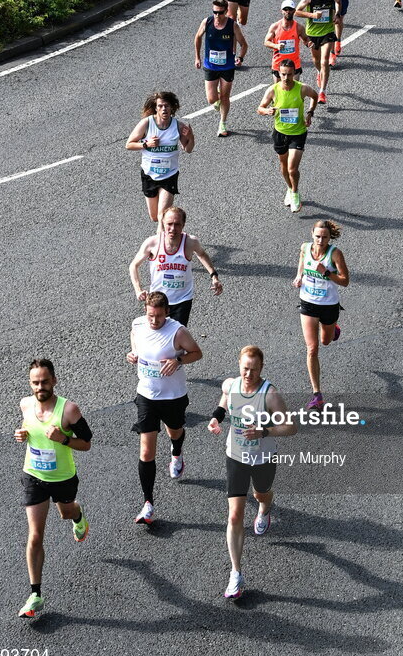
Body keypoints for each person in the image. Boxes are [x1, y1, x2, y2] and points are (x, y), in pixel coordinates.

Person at [208, 345, 298, 600]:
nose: (248, 374)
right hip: (235, 456)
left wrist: (265, 431)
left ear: (261, 369)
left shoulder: (270, 395)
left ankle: (265, 509)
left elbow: (291, 427)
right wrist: (217, 418)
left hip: (263, 458)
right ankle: (235, 573)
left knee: (261, 495)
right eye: (245, 368)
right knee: (235, 515)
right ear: (239, 365)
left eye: (254, 370)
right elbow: (226, 399)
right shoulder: (231, 384)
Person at [14, 358, 92, 618]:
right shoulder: (25, 405)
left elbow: (87, 444)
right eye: (35, 382)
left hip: (63, 478)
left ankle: (78, 516)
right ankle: (35, 593)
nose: (40, 387)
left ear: (54, 381)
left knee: (66, 513)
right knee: (35, 535)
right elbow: (27, 429)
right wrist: (21, 435)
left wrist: (65, 439)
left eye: (44, 381)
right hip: (33, 476)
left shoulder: (69, 410)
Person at [128, 292, 203, 524]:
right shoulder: (138, 325)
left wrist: (178, 360)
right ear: (146, 312)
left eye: (159, 316)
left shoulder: (178, 331)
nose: (154, 320)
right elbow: (135, 341)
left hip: (173, 396)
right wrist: (133, 355)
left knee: (175, 431)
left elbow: (197, 353)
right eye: (151, 315)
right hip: (147, 395)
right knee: (146, 451)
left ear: (167, 313)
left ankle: (177, 453)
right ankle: (148, 503)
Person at [129, 206, 223, 326]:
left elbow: (202, 255)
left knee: (176, 337)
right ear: (162, 223)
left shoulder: (190, 242)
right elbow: (133, 266)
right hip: (158, 300)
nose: (173, 229)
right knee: (157, 335)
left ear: (183, 225)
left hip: (182, 300)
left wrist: (214, 276)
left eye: (177, 224)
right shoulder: (152, 243)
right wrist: (138, 290)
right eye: (169, 224)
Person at [294, 220, 349, 409]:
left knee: (326, 341)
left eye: (324, 237)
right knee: (312, 348)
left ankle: (333, 329)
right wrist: (299, 276)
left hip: (329, 305)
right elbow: (302, 260)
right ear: (312, 234)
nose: (320, 240)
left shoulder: (335, 254)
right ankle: (317, 394)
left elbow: (345, 281)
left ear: (329, 237)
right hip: (308, 303)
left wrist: (325, 272)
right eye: (317, 236)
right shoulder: (305, 247)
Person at [257, 59, 318, 212]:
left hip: (298, 133)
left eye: (289, 74)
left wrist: (310, 113)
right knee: (284, 167)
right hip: (280, 133)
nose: (286, 78)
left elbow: (315, 96)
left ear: (294, 73)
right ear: (279, 73)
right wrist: (267, 111)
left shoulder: (302, 88)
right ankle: (290, 189)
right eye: (283, 74)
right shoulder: (273, 90)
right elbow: (260, 107)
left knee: (292, 169)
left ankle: (296, 193)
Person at [126, 91, 195, 221]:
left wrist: (191, 137)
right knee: (154, 217)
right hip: (149, 174)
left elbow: (188, 149)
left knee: (162, 215)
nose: (164, 109)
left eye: (167, 106)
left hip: (169, 175)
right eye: (161, 106)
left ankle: (162, 241)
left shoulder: (178, 126)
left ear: (172, 108)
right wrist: (146, 144)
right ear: (156, 108)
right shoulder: (146, 123)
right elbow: (129, 144)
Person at [194, 0, 248, 137]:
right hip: (210, 65)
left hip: (227, 66)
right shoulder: (207, 22)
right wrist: (197, 57)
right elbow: (198, 38)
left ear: (226, 12)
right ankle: (218, 101)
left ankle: (222, 123)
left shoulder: (232, 25)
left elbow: (244, 45)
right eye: (215, 12)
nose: (217, 16)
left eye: (220, 13)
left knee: (225, 97)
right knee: (211, 99)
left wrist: (240, 58)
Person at [294, 0, 340, 105]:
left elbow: (338, 2)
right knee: (316, 60)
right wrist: (312, 15)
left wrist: (337, 15)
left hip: (327, 31)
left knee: (325, 61)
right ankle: (320, 72)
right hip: (313, 33)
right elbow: (297, 11)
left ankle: (322, 92)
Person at [264, 0, 310, 81]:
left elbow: (306, 40)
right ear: (281, 11)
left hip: (294, 64)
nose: (288, 12)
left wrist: (309, 43)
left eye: (290, 9)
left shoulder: (299, 27)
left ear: (294, 11)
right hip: (278, 64)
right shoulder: (275, 27)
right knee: (278, 92)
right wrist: (276, 46)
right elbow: (266, 42)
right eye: (285, 9)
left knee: (294, 91)